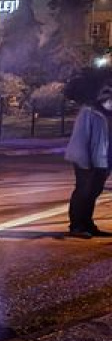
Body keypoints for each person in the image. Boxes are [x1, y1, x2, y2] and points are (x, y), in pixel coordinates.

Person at [64, 82, 112, 238]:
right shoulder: (89, 112)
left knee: (94, 192)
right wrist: (83, 161)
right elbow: (80, 138)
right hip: (86, 160)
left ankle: (88, 224)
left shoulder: (108, 115)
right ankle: (77, 226)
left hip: (103, 161)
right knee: (83, 192)